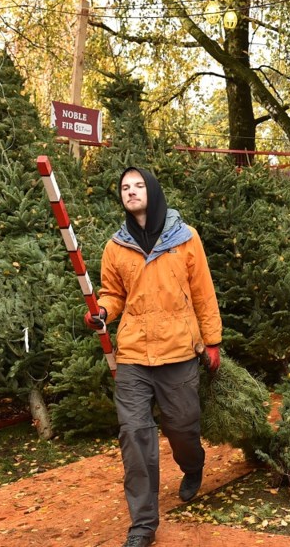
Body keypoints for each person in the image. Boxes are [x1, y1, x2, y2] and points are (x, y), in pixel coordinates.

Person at [85, 166, 222, 547]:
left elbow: (203, 293)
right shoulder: (116, 246)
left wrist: (211, 341)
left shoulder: (185, 239)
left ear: (153, 190)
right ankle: (142, 525)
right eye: (124, 188)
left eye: (138, 185)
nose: (130, 192)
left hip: (178, 350)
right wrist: (102, 312)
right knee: (134, 435)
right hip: (132, 354)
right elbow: (112, 294)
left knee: (182, 428)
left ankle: (192, 465)